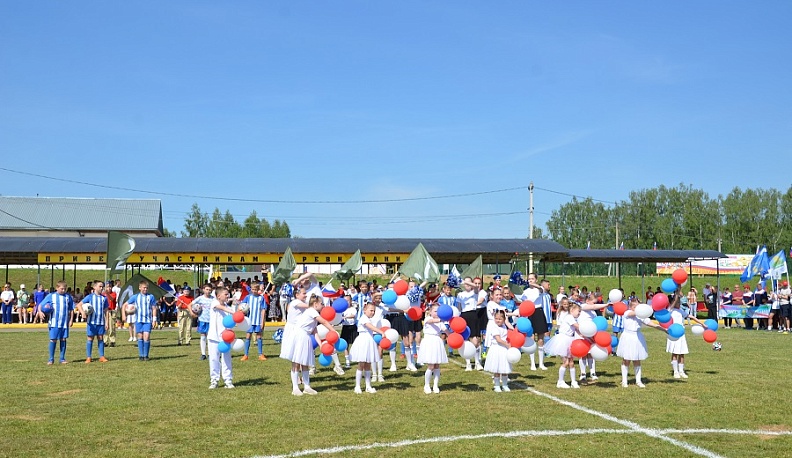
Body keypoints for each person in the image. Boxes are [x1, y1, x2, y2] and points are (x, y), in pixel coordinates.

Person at [289, 295, 335, 396]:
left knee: (305, 362)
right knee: (296, 362)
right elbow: (324, 321)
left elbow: (315, 332)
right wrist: (333, 331)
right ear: (315, 304)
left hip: (305, 337)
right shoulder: (311, 311)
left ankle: (307, 386)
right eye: (321, 303)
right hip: (299, 336)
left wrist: (321, 344)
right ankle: (295, 388)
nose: (323, 306)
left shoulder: (313, 314)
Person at [618, 298, 667, 387]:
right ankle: (624, 381)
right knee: (626, 359)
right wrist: (649, 307)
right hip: (628, 337)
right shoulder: (627, 313)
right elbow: (635, 313)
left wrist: (664, 330)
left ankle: (638, 381)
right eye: (636, 306)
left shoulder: (641, 315)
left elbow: (651, 324)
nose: (638, 308)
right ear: (631, 307)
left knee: (637, 359)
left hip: (637, 337)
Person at [667, 292, 707, 379]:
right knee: (675, 352)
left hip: (681, 333)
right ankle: (675, 371)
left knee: (682, 352)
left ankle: (681, 371)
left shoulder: (680, 311)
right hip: (674, 333)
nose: (679, 304)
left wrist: (702, 323)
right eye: (677, 302)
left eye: (679, 303)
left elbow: (691, 317)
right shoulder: (670, 310)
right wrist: (677, 294)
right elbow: (674, 302)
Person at [545, 302, 582, 389]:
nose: (579, 313)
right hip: (563, 340)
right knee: (566, 362)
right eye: (578, 311)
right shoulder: (569, 317)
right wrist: (586, 328)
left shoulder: (573, 319)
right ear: (572, 310)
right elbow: (577, 326)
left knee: (571, 362)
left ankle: (573, 381)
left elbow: (577, 331)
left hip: (570, 340)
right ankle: (560, 381)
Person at [349, 302, 385, 394]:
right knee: (361, 364)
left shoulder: (369, 319)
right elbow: (371, 327)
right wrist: (381, 332)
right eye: (371, 310)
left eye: (374, 311)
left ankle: (368, 386)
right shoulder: (364, 318)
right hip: (363, 341)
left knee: (368, 364)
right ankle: (357, 386)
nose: (372, 312)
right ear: (365, 310)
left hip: (369, 341)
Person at [37, 280, 75, 364]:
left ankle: (62, 358)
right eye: (62, 289)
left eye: (65, 289)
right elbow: (40, 305)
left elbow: (71, 309)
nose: (63, 290)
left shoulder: (68, 297)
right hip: (54, 322)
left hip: (64, 323)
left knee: (63, 339)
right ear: (57, 288)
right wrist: (40, 312)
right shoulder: (51, 296)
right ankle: (51, 359)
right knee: (53, 339)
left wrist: (71, 319)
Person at [416, 304, 448, 394]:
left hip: (437, 341)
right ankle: (426, 385)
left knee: (437, 365)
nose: (437, 313)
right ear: (430, 311)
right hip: (429, 341)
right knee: (431, 365)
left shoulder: (440, 322)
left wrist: (453, 335)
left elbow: (446, 330)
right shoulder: (427, 319)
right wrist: (441, 319)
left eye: (439, 312)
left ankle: (435, 385)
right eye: (435, 311)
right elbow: (431, 321)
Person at [207, 287, 235, 389]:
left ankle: (228, 380)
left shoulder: (228, 308)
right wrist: (233, 312)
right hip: (214, 337)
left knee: (226, 359)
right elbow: (221, 308)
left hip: (225, 338)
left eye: (228, 294)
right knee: (214, 359)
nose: (228, 296)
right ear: (219, 296)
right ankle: (214, 380)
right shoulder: (214, 303)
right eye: (226, 294)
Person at [577, 293, 609, 381]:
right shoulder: (582, 306)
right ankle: (583, 373)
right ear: (587, 301)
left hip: (591, 334)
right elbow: (593, 307)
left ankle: (592, 372)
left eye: (595, 303)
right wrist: (606, 304)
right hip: (582, 333)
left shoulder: (593, 313)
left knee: (591, 354)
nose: (594, 304)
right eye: (593, 302)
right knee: (583, 353)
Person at [125, 280, 159, 361]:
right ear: (140, 288)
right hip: (138, 320)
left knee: (146, 337)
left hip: (147, 320)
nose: (145, 289)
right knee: (140, 336)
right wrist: (126, 312)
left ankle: (146, 355)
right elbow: (125, 305)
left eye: (147, 288)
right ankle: (141, 355)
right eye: (144, 288)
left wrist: (154, 319)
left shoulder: (151, 297)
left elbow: (154, 308)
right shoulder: (135, 297)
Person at [483, 310, 512, 392]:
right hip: (497, 348)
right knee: (497, 369)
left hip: (504, 350)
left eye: (500, 319)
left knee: (504, 368)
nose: (498, 320)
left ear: (504, 319)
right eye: (496, 318)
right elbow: (498, 340)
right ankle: (497, 385)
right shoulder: (494, 328)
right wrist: (507, 345)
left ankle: (505, 385)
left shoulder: (504, 327)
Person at [457, 277, 482, 371]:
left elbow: (476, 287)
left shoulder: (474, 292)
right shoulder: (460, 294)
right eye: (465, 283)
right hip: (464, 316)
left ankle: (477, 362)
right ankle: (468, 363)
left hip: (473, 315)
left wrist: (465, 281)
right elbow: (459, 307)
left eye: (469, 282)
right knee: (466, 340)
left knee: (475, 340)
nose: (467, 284)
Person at [240, 284, 267, 361]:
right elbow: (242, 306)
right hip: (249, 321)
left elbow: (263, 310)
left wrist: (262, 321)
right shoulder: (248, 297)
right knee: (248, 336)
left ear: (258, 289)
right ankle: (246, 354)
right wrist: (241, 310)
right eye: (252, 289)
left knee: (259, 337)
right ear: (251, 289)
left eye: (255, 289)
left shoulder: (261, 298)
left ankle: (260, 354)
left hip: (258, 320)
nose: (254, 291)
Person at [191, 284, 214, 360]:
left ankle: (210, 354)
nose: (208, 291)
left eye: (209, 290)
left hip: (211, 320)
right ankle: (203, 354)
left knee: (210, 337)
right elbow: (190, 305)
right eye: (207, 289)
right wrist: (193, 313)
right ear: (203, 290)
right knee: (203, 336)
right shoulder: (200, 298)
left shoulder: (213, 299)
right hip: (202, 320)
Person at [340, 292, 358, 368]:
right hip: (345, 328)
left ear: (351, 301)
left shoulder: (353, 309)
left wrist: (345, 318)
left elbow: (353, 316)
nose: (346, 302)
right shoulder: (342, 310)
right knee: (345, 345)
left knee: (355, 344)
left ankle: (356, 358)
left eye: (348, 300)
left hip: (353, 327)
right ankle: (347, 361)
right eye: (345, 301)